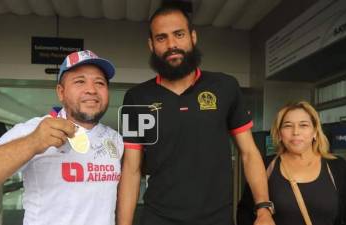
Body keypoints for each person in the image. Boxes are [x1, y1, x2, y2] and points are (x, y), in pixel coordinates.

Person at [117, 4, 274, 225]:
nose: (172, 44)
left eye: (179, 34)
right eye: (161, 38)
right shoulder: (137, 98)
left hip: (216, 219)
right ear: (151, 45)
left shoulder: (225, 86)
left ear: (193, 37)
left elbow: (249, 152)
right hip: (158, 218)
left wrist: (264, 208)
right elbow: (131, 170)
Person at [0, 50, 123, 225]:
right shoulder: (33, 130)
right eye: (80, 81)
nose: (91, 90)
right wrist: (33, 142)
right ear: (61, 92)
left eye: (99, 83)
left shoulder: (115, 139)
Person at [237, 101, 346, 225]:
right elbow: (244, 213)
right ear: (279, 133)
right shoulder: (264, 166)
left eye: (303, 125)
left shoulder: (338, 167)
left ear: (315, 132)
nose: (296, 132)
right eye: (288, 125)